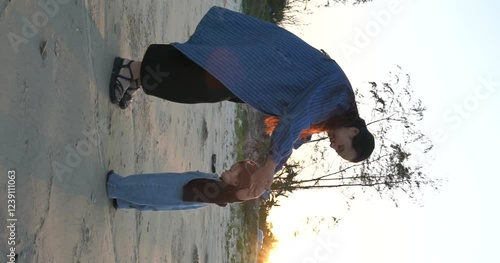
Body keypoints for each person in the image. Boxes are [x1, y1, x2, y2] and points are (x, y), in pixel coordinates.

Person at [108, 6, 375, 192]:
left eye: (338, 151)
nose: (334, 146)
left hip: (258, 81)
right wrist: (270, 165)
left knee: (199, 77)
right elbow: (295, 119)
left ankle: (135, 76)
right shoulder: (338, 96)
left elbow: (296, 137)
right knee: (196, 81)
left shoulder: (333, 113)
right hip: (260, 65)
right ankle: (130, 70)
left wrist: (270, 171)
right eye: (342, 147)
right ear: (354, 131)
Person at [106, 160, 262, 211]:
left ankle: (117, 187)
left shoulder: (222, 192)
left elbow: (242, 195)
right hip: (183, 188)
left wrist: (256, 190)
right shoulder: (218, 183)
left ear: (237, 183)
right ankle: (122, 201)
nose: (230, 168)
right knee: (153, 198)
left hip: (177, 190)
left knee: (152, 188)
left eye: (234, 170)